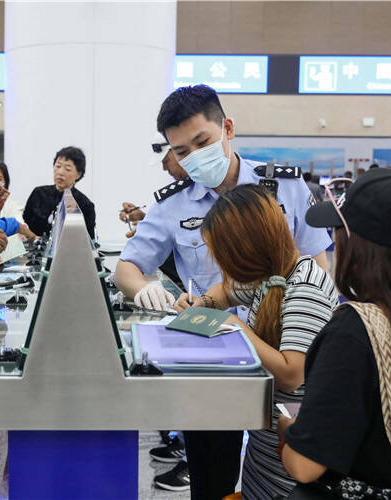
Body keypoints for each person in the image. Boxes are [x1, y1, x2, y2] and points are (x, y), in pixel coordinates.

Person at [116, 85, 333, 500]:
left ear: (227, 128)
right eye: (181, 151)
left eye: (202, 142)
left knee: (285, 461)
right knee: (218, 475)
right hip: (213, 367)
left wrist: (238, 325)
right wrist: (159, 293)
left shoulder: (284, 188)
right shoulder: (172, 204)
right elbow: (133, 268)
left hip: (289, 362)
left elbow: (313, 279)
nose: (194, 157)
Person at [280, 168, 391, 499]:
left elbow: (305, 466)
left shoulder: (355, 332)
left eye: (338, 230)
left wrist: (290, 431)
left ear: (360, 246)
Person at [173, 184, 339, 498]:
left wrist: (238, 329)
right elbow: (225, 292)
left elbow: (292, 374)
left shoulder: (305, 287)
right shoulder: (272, 277)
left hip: (289, 468)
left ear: (246, 249)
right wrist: (203, 306)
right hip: (263, 460)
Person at [23, 146, 96, 239]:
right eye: (58, 166)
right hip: (35, 249)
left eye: (67, 169)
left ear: (78, 174)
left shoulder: (85, 205)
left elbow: (89, 240)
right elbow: (25, 223)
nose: (60, 172)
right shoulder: (38, 194)